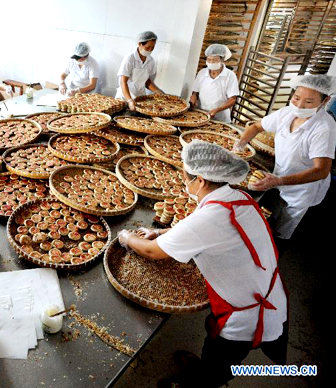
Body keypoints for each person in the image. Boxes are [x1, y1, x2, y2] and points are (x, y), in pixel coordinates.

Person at [118, 140, 288, 387]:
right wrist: (163, 233)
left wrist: (126, 237)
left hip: (247, 315)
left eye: (185, 176)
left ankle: (197, 382)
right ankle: (203, 370)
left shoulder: (211, 217)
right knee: (214, 356)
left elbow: (151, 252)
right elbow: (202, 229)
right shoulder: (237, 196)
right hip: (265, 291)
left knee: (218, 365)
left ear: (200, 180)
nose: (183, 180)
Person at [235, 74, 336, 241]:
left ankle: (277, 257)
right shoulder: (287, 113)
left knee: (282, 229)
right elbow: (255, 127)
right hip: (277, 176)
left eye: (309, 102)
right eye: (296, 98)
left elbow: (321, 170)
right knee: (267, 217)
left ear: (325, 101)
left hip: (302, 190)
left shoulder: (324, 127)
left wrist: (279, 181)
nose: (300, 105)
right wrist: (238, 148)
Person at [189, 44, 239, 122]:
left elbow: (232, 99)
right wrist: (194, 96)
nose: (211, 62)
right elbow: (195, 91)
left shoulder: (230, 76)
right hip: (201, 114)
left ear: (222, 60)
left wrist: (217, 110)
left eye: (215, 60)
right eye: (209, 59)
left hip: (220, 117)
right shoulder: (202, 72)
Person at [116, 30, 164, 111]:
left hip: (140, 97)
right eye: (147, 47)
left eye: (152, 48)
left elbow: (147, 81)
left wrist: (157, 91)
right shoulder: (130, 59)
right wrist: (129, 100)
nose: (150, 50)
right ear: (140, 44)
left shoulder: (151, 61)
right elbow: (123, 82)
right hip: (125, 96)